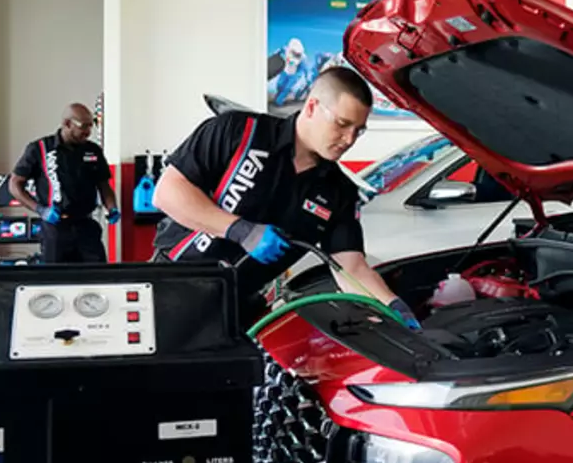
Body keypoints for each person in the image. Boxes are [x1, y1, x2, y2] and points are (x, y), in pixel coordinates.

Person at [150, 67, 420, 328]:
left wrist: (391, 305)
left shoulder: (339, 191)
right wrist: (241, 231)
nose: (349, 139)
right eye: (342, 124)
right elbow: (168, 193)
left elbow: (352, 267)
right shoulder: (240, 132)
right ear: (312, 107)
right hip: (170, 287)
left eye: (358, 130)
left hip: (236, 309)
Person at [9, 103, 120, 263]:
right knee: (56, 276)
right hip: (55, 228)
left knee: (97, 274)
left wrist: (112, 207)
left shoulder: (93, 150)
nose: (88, 132)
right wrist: (40, 210)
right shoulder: (40, 149)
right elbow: (15, 184)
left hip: (86, 227)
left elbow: (104, 185)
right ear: (67, 124)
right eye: (83, 126)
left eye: (91, 125)